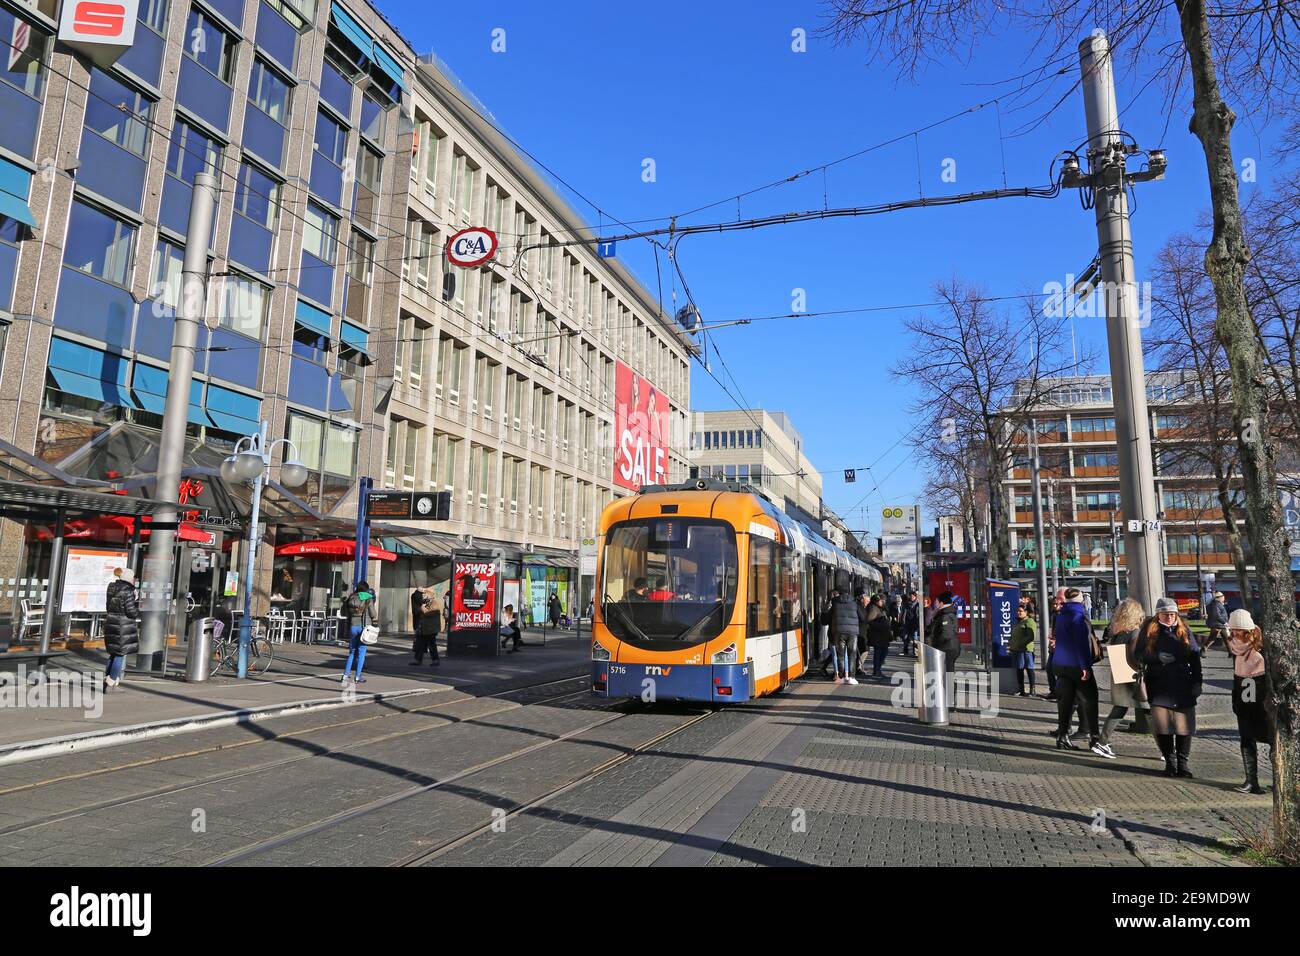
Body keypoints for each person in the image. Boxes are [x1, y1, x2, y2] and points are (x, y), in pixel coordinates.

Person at [1135, 597, 1202, 777]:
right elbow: (1138, 654)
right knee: (1163, 727)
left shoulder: (1184, 630)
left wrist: (1197, 682)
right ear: (1158, 615)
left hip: (1182, 684)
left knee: (1184, 727)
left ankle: (1183, 765)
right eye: (1166, 615)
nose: (1170, 618)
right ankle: (1170, 763)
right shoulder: (1149, 631)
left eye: (1173, 614)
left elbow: (1195, 657)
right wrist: (1156, 657)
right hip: (1159, 684)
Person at [1051, 588, 1112, 758]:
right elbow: (1082, 642)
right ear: (1081, 600)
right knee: (1091, 699)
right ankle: (1094, 737)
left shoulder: (1061, 614)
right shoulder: (1079, 615)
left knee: (1066, 702)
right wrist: (1085, 666)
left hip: (1060, 664)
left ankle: (1062, 737)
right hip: (1076, 665)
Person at [1226, 609, 1272, 794]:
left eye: (1239, 630)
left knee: (1272, 740)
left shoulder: (1261, 647)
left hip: (1262, 699)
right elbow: (1238, 676)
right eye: (1233, 630)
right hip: (1244, 696)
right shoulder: (1235, 646)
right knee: (1246, 738)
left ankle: (1280, 780)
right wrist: (1237, 701)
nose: (1236, 634)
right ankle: (1251, 781)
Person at [1098, 597, 1147, 745]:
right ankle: (1166, 750)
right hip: (1133, 675)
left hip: (1119, 674)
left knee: (1119, 709)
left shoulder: (1117, 633)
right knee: (1148, 710)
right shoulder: (1135, 633)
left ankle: (1102, 741)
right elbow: (1135, 657)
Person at [103, 567, 139, 692]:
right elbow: (131, 611)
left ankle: (108, 679)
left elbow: (108, 606)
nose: (134, 579)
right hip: (123, 625)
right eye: (133, 577)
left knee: (112, 654)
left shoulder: (111, 588)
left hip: (111, 622)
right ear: (129, 578)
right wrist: (137, 609)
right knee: (119, 654)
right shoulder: (128, 590)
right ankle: (111, 681)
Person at [341, 581, 378, 683]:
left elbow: (345, 611)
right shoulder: (368, 597)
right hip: (363, 627)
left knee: (352, 652)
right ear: (366, 589)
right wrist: (375, 620)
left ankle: (345, 675)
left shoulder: (352, 597)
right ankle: (357, 677)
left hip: (353, 626)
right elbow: (373, 613)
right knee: (361, 653)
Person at [828, 587, 860, 685]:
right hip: (852, 633)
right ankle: (852, 677)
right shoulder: (855, 604)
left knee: (840, 655)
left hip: (839, 632)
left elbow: (827, 618)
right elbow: (863, 617)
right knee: (852, 654)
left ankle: (841, 677)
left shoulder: (835, 604)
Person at [927, 591, 961, 678]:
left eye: (936, 602)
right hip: (949, 647)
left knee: (947, 672)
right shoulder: (946, 613)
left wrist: (936, 647)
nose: (935, 604)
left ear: (941, 603)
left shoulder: (945, 615)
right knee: (947, 672)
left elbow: (946, 634)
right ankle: (948, 689)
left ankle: (949, 690)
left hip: (947, 648)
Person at [1008, 603, 1037, 697]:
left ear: (1026, 612)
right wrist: (1011, 643)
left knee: (1029, 669)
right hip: (1017, 650)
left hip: (1025, 650)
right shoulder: (1018, 622)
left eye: (1020, 611)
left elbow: (1031, 637)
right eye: (1017, 611)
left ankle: (1032, 690)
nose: (1018, 613)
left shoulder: (1029, 621)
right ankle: (1021, 690)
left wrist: (1020, 644)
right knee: (1019, 669)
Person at [865, 594, 893, 678]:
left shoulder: (880, 608)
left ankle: (878, 670)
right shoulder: (873, 608)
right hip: (878, 635)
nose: (883, 602)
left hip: (882, 635)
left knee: (883, 652)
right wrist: (881, 625)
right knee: (879, 653)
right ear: (877, 601)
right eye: (881, 601)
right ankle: (876, 670)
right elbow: (869, 620)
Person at [412, 587, 441, 666]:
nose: (423, 595)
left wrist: (422, 607)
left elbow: (429, 614)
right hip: (424, 628)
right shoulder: (427, 603)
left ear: (429, 595)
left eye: (425, 594)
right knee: (420, 644)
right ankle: (418, 660)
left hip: (431, 629)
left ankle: (435, 660)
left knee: (432, 645)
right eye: (423, 594)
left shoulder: (434, 603)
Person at [1204, 591, 1229, 656]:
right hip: (1218, 624)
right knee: (1212, 639)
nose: (1224, 598)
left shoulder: (1216, 604)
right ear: (1218, 598)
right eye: (1223, 597)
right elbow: (1217, 615)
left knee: (1226, 639)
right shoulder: (1216, 604)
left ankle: (1231, 653)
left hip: (1219, 624)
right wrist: (1224, 622)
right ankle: (1202, 651)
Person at [901, 590, 920, 657]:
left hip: (914, 623)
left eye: (913, 596)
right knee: (905, 637)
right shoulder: (906, 604)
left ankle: (915, 652)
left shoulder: (918, 604)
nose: (911, 597)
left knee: (915, 638)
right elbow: (903, 613)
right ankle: (905, 650)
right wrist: (902, 621)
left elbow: (918, 615)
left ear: (915, 597)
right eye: (910, 596)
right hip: (907, 623)